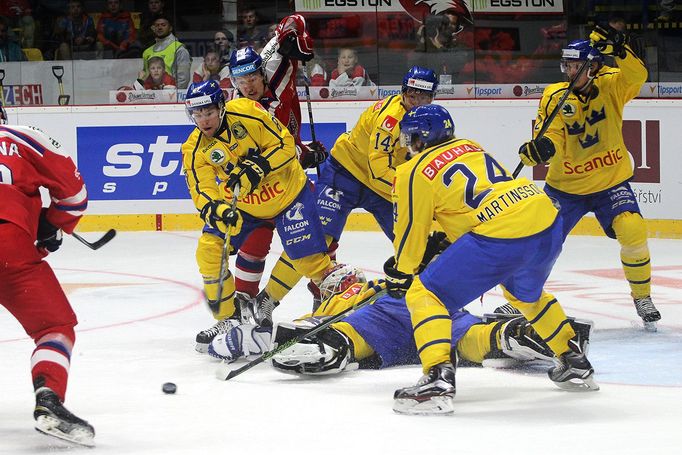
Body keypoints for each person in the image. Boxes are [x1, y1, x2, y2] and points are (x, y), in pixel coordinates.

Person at [386, 104, 598, 415]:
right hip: (545, 218)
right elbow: (476, 197)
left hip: (501, 235)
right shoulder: (469, 145)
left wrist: (402, 270)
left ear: (420, 137)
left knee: (425, 293)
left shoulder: (412, 171)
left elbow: (411, 229)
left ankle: (437, 379)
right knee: (527, 295)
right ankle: (573, 360)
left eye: (409, 138)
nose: (408, 144)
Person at [208, 237, 593, 375]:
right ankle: (527, 335)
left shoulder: (358, 291)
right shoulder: (338, 303)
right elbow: (302, 327)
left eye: (340, 274)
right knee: (476, 338)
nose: (339, 276)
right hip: (409, 317)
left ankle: (527, 336)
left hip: (392, 315)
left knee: (338, 337)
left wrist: (252, 341)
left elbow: (301, 327)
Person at [259, 66, 437, 312]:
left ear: (433, 97)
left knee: (414, 243)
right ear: (403, 92)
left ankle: (432, 304)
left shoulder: (433, 120)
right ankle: (266, 301)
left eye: (424, 97)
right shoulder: (390, 120)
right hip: (346, 174)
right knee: (313, 237)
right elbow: (378, 171)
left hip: (383, 188)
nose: (417, 103)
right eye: (412, 96)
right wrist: (415, 194)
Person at [516, 30, 659, 330]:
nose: (568, 71)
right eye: (566, 65)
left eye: (574, 65)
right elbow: (552, 132)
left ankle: (642, 296)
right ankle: (521, 297)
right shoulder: (555, 95)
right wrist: (542, 148)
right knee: (542, 242)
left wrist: (619, 50)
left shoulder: (612, 83)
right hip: (566, 187)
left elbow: (638, 76)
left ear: (592, 67)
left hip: (610, 181)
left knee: (632, 229)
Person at [181, 79, 335, 354]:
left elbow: (286, 146)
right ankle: (229, 319)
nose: (204, 120)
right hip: (246, 205)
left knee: (306, 253)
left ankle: (269, 300)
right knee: (209, 250)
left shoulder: (249, 112)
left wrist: (260, 166)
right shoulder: (194, 149)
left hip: (288, 194)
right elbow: (202, 190)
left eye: (208, 112)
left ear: (221, 107)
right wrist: (216, 210)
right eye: (197, 114)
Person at [0, 103, 94, 446]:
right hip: (8, 247)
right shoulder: (21, 136)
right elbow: (74, 195)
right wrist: (52, 225)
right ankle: (48, 399)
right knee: (54, 328)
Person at [224, 15, 326, 311]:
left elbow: (291, 25)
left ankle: (324, 295)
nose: (248, 85)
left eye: (252, 77)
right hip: (262, 182)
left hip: (289, 178)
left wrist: (296, 37)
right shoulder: (236, 112)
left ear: (261, 72)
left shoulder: (275, 67)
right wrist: (303, 154)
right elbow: (268, 155)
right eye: (240, 80)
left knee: (316, 237)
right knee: (255, 242)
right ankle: (243, 302)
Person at [141, 14, 191, 89]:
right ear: (153, 28)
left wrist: (173, 97)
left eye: (163, 25)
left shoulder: (178, 48)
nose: (160, 27)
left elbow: (183, 79)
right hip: (151, 97)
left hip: (171, 96)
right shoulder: (147, 52)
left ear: (170, 28)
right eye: (157, 25)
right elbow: (145, 78)